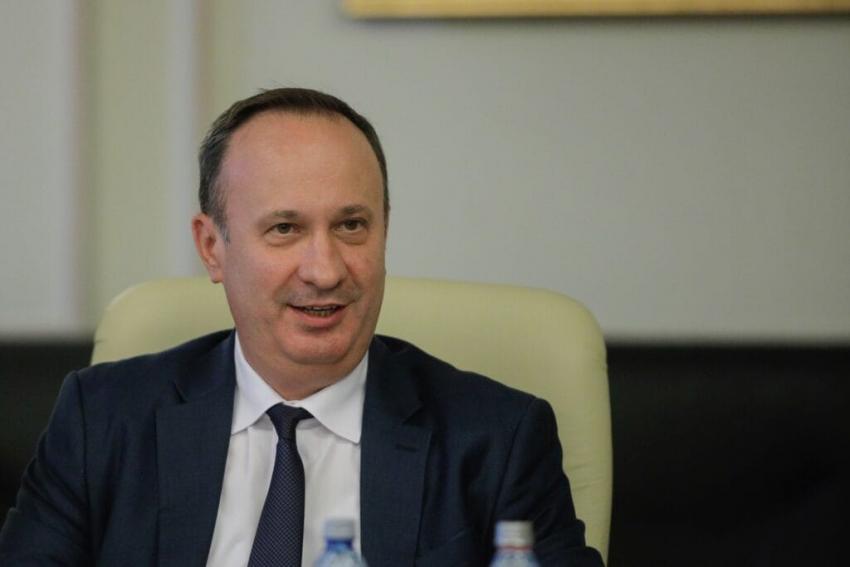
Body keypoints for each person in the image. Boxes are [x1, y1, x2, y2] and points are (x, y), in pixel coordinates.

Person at [0, 88, 603, 566]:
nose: (325, 270)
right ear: (212, 247)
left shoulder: (497, 440)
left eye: (351, 226)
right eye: (284, 229)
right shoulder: (102, 419)